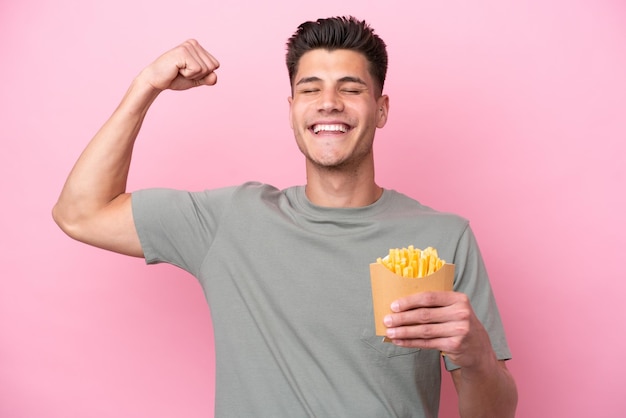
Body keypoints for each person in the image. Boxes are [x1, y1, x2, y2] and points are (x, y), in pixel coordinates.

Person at [53, 16, 517, 417]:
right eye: (309, 89)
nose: (328, 102)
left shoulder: (443, 237)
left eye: (350, 89)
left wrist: (475, 354)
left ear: (381, 110)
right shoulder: (228, 220)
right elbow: (80, 213)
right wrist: (145, 86)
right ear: (292, 110)